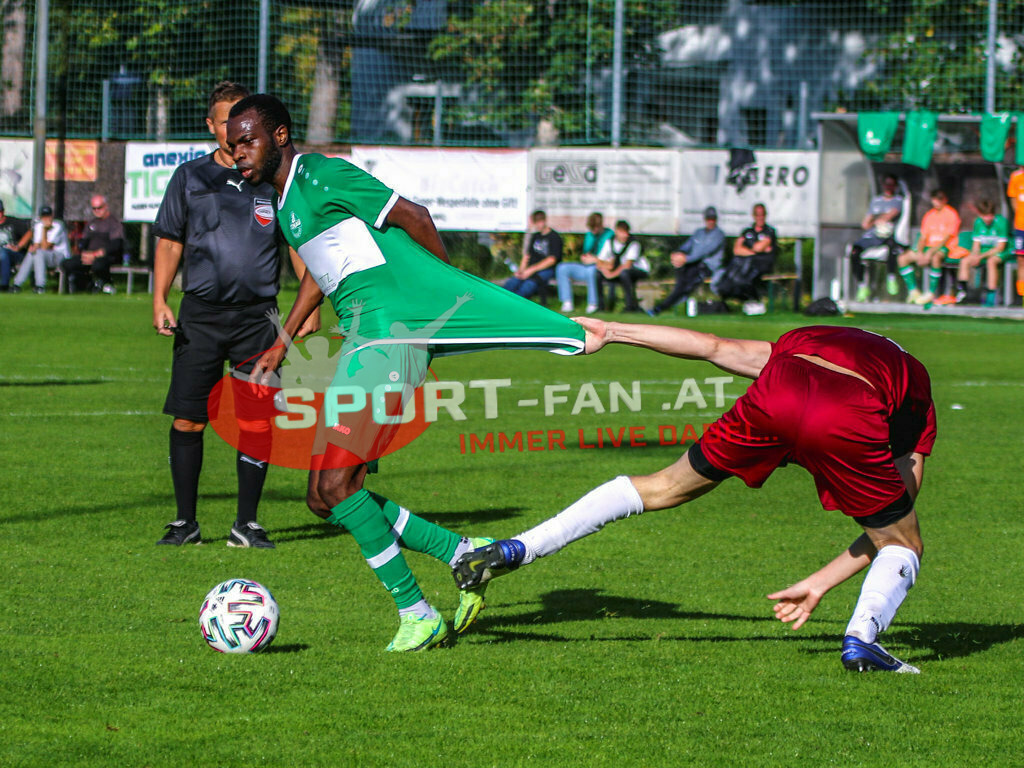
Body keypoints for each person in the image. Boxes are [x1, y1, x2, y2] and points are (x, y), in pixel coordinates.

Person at [225, 93, 585, 652]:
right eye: (231, 145)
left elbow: (415, 217)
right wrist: (283, 340)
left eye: (246, 140)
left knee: (339, 485)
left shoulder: (323, 175)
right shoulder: (288, 200)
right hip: (360, 341)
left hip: (391, 337)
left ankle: (417, 613)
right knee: (323, 498)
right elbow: (326, 272)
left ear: (279, 135)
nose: (237, 152)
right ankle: (462, 553)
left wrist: (439, 300)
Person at [456, 320, 935, 674]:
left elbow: (713, 347)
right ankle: (861, 638)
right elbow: (891, 532)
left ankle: (522, 545)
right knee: (904, 541)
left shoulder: (810, 337)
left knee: (661, 487)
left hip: (778, 392)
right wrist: (823, 581)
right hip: (848, 412)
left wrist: (613, 331)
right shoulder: (914, 387)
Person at [152, 82, 320, 550]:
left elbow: (297, 241)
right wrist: (160, 298)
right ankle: (185, 522)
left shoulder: (270, 179)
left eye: (244, 121)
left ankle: (247, 524)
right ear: (212, 126)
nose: (235, 130)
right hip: (200, 318)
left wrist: (310, 307)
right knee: (188, 420)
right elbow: (170, 241)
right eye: (227, 120)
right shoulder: (189, 178)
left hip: (259, 321)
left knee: (256, 422)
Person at [649, 206, 725, 316]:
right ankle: (671, 303)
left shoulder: (718, 235)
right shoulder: (699, 233)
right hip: (693, 264)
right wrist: (677, 253)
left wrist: (686, 259)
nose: (710, 221)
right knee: (681, 281)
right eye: (708, 218)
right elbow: (687, 246)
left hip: (707, 267)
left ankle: (662, 307)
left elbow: (704, 251)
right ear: (705, 219)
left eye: (713, 218)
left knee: (686, 284)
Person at [897, 189, 960, 305]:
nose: (937, 202)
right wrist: (920, 252)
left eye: (940, 199)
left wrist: (931, 252)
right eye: (935, 199)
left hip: (945, 248)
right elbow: (923, 236)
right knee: (903, 258)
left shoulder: (951, 214)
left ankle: (931, 292)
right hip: (927, 248)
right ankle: (913, 291)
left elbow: (947, 238)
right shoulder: (929, 215)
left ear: (945, 200)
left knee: (936, 258)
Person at [941, 199, 1008, 306]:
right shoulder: (978, 222)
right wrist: (975, 256)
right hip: (983, 252)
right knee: (965, 261)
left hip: (1000, 252)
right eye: (985, 215)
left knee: (992, 261)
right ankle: (963, 293)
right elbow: (976, 245)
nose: (988, 218)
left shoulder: (1001, 222)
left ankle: (991, 297)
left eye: (990, 215)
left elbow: (1000, 247)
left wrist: (980, 256)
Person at [849, 174, 904, 301]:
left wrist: (876, 219)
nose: (888, 188)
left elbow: (889, 216)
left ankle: (891, 277)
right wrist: (875, 220)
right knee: (854, 251)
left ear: (895, 187)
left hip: (887, 235)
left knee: (892, 247)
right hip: (872, 235)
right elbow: (865, 224)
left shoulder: (898, 200)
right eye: (886, 185)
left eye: (891, 185)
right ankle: (862, 285)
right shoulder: (876, 201)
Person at [717, 202, 778, 315]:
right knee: (731, 277)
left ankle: (754, 301)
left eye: (762, 214)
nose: (760, 217)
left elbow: (758, 247)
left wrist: (748, 249)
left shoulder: (769, 231)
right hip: (746, 263)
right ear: (753, 216)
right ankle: (747, 302)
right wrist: (753, 251)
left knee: (747, 277)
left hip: (762, 264)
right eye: (757, 214)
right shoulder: (747, 231)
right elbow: (737, 249)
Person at [62, 194, 125, 294]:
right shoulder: (91, 223)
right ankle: (83, 285)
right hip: (89, 255)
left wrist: (96, 255)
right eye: (94, 208)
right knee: (68, 263)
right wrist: (84, 254)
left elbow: (116, 245)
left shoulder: (114, 223)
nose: (97, 211)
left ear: (105, 206)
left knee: (98, 265)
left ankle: (106, 284)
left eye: (99, 208)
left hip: (106, 256)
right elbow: (83, 242)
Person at [556, 211, 611, 314]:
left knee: (591, 271)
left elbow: (609, 258)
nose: (593, 231)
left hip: (600, 267)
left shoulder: (609, 235)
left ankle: (593, 303)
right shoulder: (589, 235)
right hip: (587, 266)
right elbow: (586, 252)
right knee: (562, 268)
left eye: (595, 228)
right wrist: (585, 257)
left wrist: (595, 259)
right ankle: (567, 302)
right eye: (591, 228)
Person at [9, 206, 69, 293]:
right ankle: (16, 284)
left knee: (38, 253)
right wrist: (33, 248)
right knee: (31, 253)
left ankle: (40, 285)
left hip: (60, 256)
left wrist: (44, 229)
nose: (46, 218)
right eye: (44, 216)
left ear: (52, 216)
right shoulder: (38, 225)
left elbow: (45, 247)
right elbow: (37, 245)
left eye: (48, 216)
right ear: (40, 217)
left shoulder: (58, 226)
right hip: (44, 256)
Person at [505, 210, 562, 299]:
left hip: (546, 270)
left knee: (527, 286)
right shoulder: (535, 236)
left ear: (544, 221)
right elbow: (527, 256)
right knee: (512, 283)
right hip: (530, 269)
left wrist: (532, 270)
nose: (538, 225)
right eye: (536, 222)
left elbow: (552, 260)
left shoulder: (554, 237)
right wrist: (521, 270)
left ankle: (514, 305)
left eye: (539, 222)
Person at [596, 219, 650, 312]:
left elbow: (627, 265)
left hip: (638, 270)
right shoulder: (610, 242)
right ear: (616, 231)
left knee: (625, 274)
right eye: (622, 232)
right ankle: (600, 306)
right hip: (618, 271)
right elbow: (600, 261)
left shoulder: (633, 243)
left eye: (626, 232)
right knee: (597, 274)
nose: (625, 235)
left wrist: (611, 275)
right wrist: (606, 270)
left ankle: (629, 306)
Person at [0, 201, 29, 291]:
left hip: (15, 254)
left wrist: (18, 246)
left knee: (2, 253)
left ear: (3, 212)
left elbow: (30, 232)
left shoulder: (14, 222)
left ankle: (4, 285)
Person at [1005, 166, 1024, 303]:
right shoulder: (1016, 177)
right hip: (1021, 227)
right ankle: (1022, 295)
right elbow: (1013, 202)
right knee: (1021, 259)